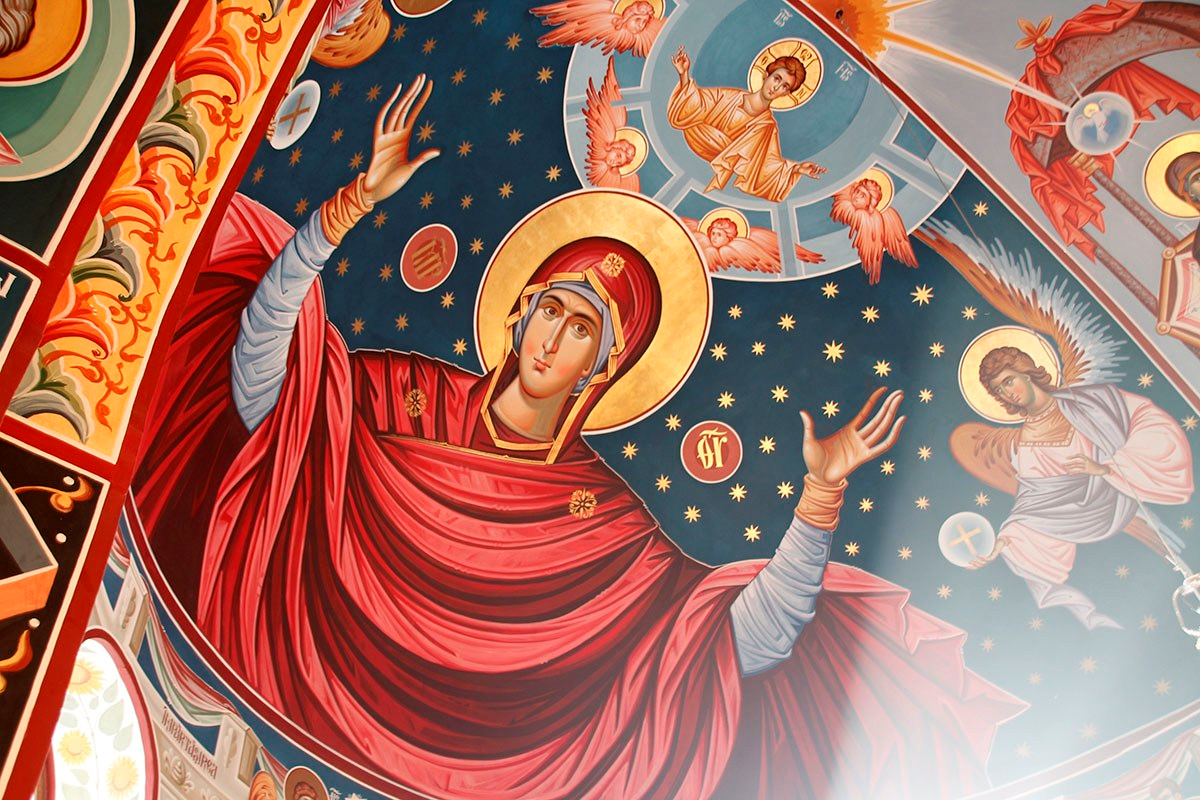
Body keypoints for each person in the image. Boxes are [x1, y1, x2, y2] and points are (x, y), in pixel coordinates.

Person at [135, 77, 1022, 799]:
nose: (554, 337)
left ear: (605, 366)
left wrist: (820, 497)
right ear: (518, 312)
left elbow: (725, 645)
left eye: (584, 328)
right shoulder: (402, 392)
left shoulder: (598, 515)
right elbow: (266, 394)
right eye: (550, 309)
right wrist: (342, 213)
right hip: (287, 692)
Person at [964, 346, 1192, 629]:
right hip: (1095, 528)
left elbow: (1147, 420)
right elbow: (1034, 501)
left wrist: (1107, 467)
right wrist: (1004, 541)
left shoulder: (1088, 402)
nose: (1007, 393)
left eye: (1009, 381)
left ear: (1026, 373)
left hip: (1135, 499)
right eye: (999, 390)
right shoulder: (1026, 445)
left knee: (1179, 555)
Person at [668, 46, 825, 203]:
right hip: (685, 152)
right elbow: (696, 104)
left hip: (705, 174)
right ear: (766, 76)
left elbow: (768, 168)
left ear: (786, 94)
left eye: (785, 86)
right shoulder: (728, 97)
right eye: (776, 78)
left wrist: (797, 169)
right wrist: (683, 74)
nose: (776, 87)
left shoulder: (767, 127)